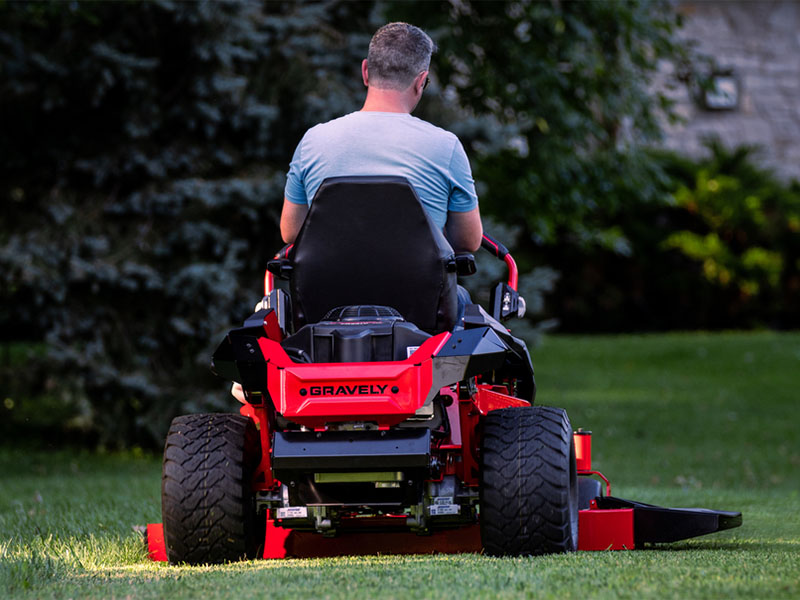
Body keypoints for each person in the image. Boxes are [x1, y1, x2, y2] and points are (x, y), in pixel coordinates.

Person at [279, 22, 483, 253]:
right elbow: (468, 241)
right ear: (420, 82)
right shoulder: (446, 147)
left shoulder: (313, 141)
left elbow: (291, 231)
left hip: (327, 278)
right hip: (414, 278)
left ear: (365, 71)